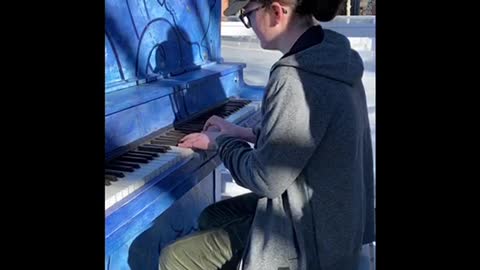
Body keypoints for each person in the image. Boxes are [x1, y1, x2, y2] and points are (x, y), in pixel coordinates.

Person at [159, 0, 375, 269]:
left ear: (276, 11)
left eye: (248, 14)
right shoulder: (333, 57)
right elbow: (306, 135)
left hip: (309, 240)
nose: (249, 25)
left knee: (175, 258)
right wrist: (243, 132)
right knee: (214, 216)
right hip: (337, 219)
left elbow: (266, 179)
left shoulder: (294, 77)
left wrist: (221, 142)